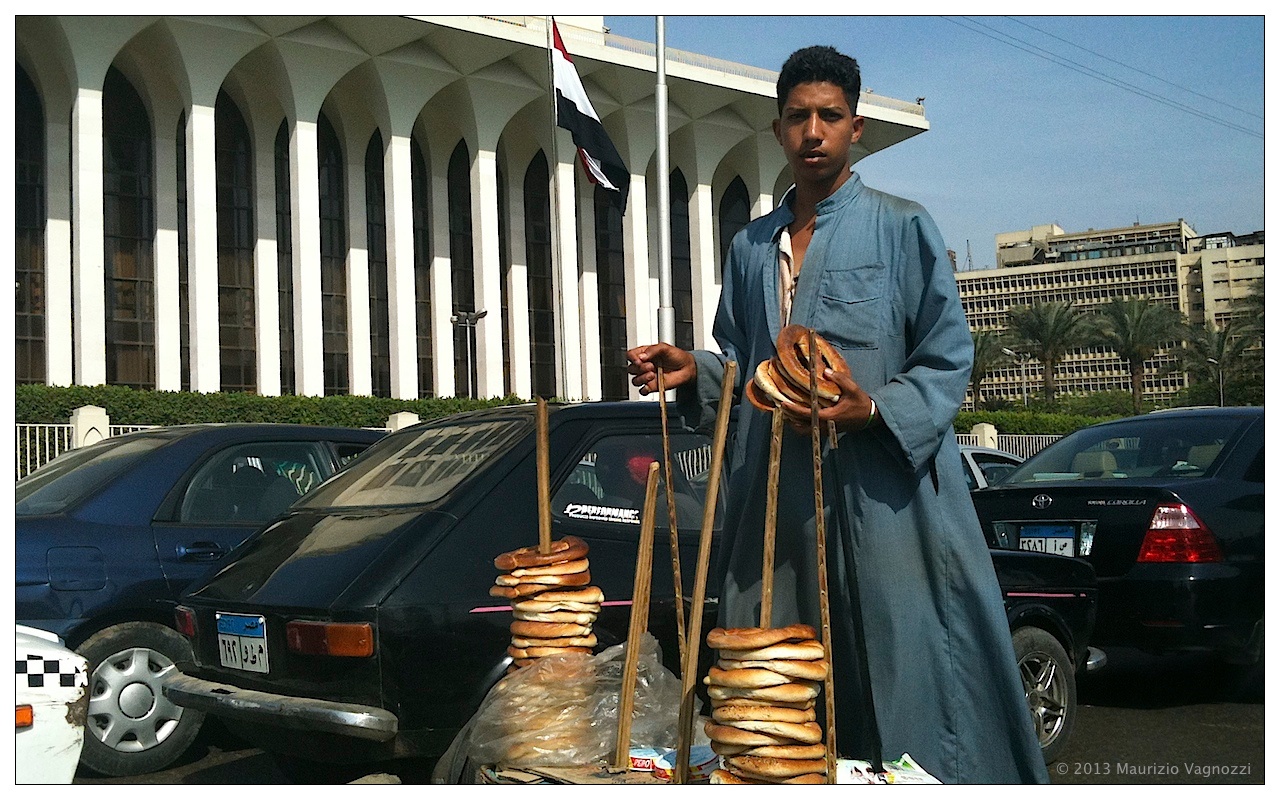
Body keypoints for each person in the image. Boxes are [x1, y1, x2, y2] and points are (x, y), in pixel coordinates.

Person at [625, 46, 1048, 784]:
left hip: (890, 505)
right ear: (778, 129)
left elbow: (947, 357)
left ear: (857, 127)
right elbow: (748, 363)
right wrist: (696, 371)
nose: (813, 132)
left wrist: (873, 409)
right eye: (797, 117)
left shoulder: (902, 227)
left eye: (830, 116)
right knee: (776, 694)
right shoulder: (750, 247)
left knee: (911, 677)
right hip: (780, 511)